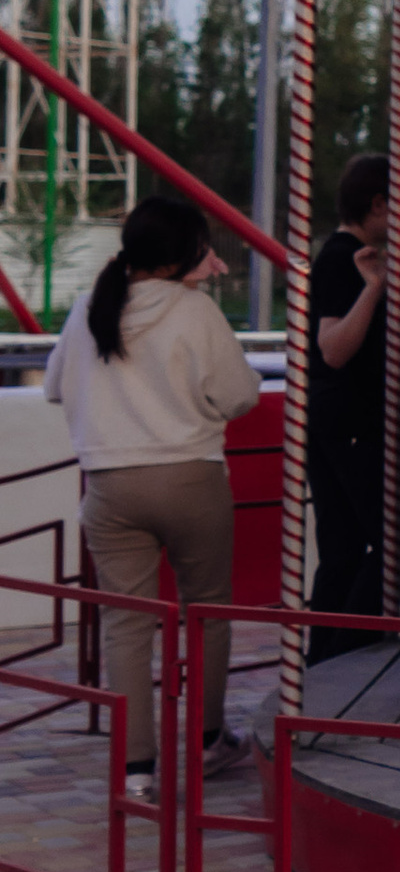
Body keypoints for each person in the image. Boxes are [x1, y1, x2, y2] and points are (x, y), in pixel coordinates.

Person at [46, 194, 260, 776]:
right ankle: (209, 740)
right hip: (191, 478)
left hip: (110, 487)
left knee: (126, 626)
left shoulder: (91, 305)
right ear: (176, 260)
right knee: (208, 613)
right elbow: (240, 395)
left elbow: (55, 387)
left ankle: (136, 768)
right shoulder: (195, 311)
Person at [308, 151, 396, 656]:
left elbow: (360, 356)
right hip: (354, 419)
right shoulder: (348, 261)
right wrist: (374, 289)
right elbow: (335, 349)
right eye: (398, 207)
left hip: (335, 415)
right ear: (378, 203)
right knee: (391, 542)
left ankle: (323, 658)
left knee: (341, 548)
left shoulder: (342, 257)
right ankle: (352, 652)